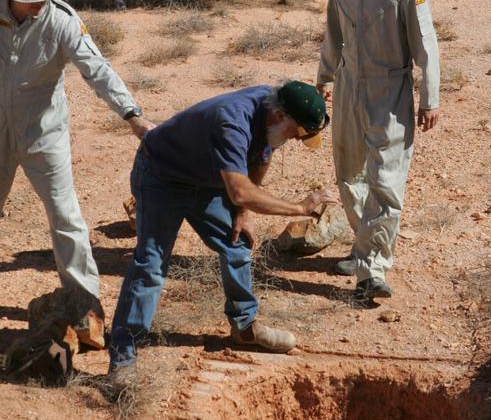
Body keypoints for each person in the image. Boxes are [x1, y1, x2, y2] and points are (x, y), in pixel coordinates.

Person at [0, 0, 152, 310]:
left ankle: (83, 295)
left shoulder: (62, 19)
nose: (39, 4)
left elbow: (98, 70)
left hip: (44, 130)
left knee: (64, 212)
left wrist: (132, 115)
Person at [108, 81, 335, 381]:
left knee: (237, 242)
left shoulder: (271, 111)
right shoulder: (232, 122)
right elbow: (240, 191)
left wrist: (242, 214)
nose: (295, 140)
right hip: (162, 176)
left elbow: (262, 155)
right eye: (298, 132)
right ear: (280, 115)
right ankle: (124, 353)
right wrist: (299, 209)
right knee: (151, 263)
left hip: (206, 179)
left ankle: (244, 327)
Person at [314, 0, 440, 301]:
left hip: (390, 91)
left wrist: (429, 98)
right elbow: (333, 28)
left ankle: (374, 268)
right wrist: (325, 77)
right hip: (351, 83)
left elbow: (426, 45)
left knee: (385, 180)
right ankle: (363, 244)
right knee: (349, 171)